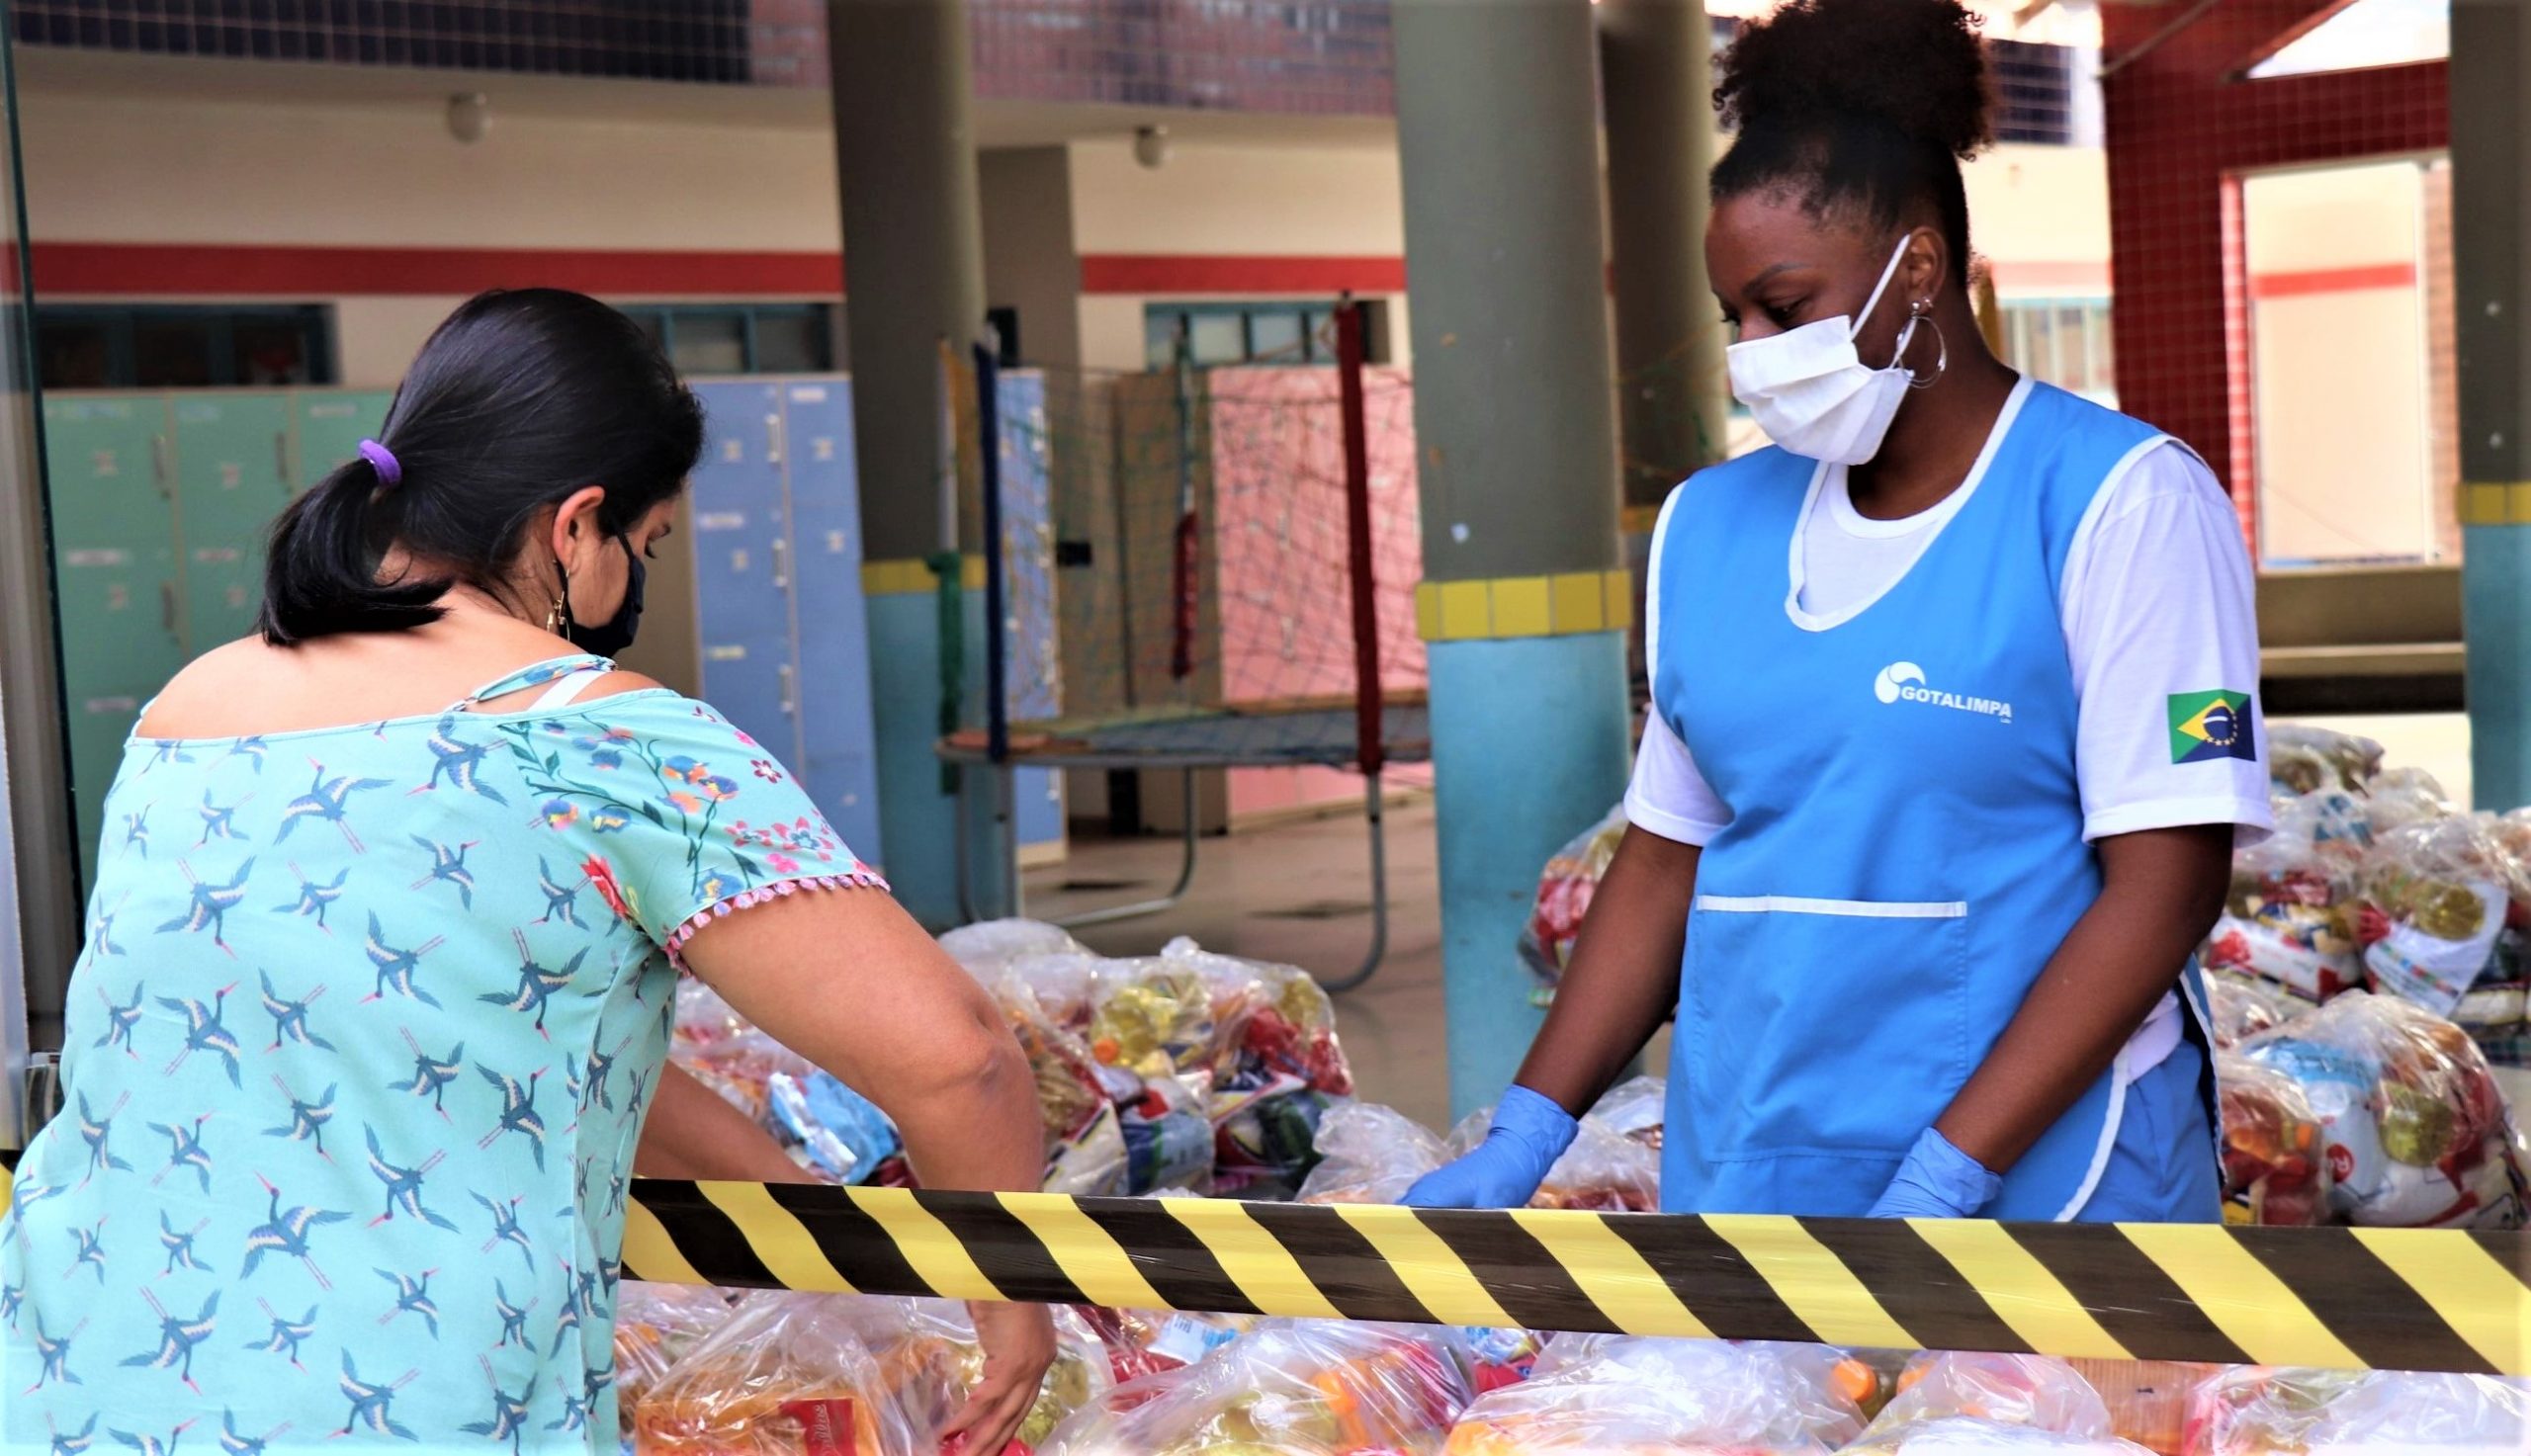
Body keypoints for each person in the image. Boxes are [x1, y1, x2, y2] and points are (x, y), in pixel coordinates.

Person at [0, 289, 1055, 1453]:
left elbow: (486, 1046)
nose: (630, 585)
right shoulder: (601, 739)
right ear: (575, 525)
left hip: (84, 1385)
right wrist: (1013, 1304)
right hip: (407, 1407)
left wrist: (796, 1212)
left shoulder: (186, 711)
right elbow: (960, 1063)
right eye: (643, 548)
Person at [1410, 0, 2267, 1223]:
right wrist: (1526, 1131)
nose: (1750, 352)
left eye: (1784, 306)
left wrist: (1949, 1170)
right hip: (1759, 1166)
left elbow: (2166, 886)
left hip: (2045, 1178)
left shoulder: (2117, 504)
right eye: (1732, 320)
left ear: (1918, 268)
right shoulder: (1708, 530)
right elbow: (1663, 862)